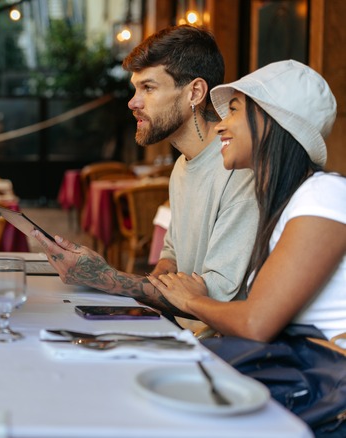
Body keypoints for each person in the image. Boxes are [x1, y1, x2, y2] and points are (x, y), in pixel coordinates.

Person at [34, 25, 258, 318]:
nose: (133, 102)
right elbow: (171, 259)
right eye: (135, 88)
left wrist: (105, 277)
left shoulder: (240, 170)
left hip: (220, 348)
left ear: (195, 92)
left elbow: (215, 296)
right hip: (178, 329)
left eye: (148, 88)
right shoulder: (182, 166)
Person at [147, 60, 345, 345]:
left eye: (234, 110)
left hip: (324, 380)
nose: (220, 126)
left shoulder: (323, 195)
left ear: (273, 120)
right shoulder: (284, 203)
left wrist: (191, 300)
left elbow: (255, 323)